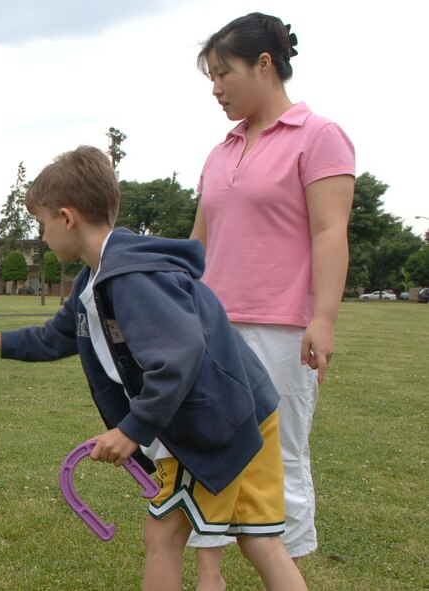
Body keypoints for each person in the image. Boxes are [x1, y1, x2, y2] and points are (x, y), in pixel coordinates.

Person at [0, 146, 308, 591]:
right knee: (261, 541)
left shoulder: (129, 276)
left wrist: (131, 431)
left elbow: (179, 356)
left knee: (163, 536)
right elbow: (55, 337)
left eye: (42, 223)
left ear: (67, 218)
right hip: (251, 410)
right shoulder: (94, 279)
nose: (43, 236)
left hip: (211, 418)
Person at [187, 13, 355, 591]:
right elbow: (197, 246)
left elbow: (331, 231)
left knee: (279, 455)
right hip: (210, 328)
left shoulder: (319, 136)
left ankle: (284, 575)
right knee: (203, 443)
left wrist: (324, 319)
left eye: (223, 72)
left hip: (282, 327)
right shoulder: (219, 150)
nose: (215, 87)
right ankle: (210, 575)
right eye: (210, 76)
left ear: (264, 64)